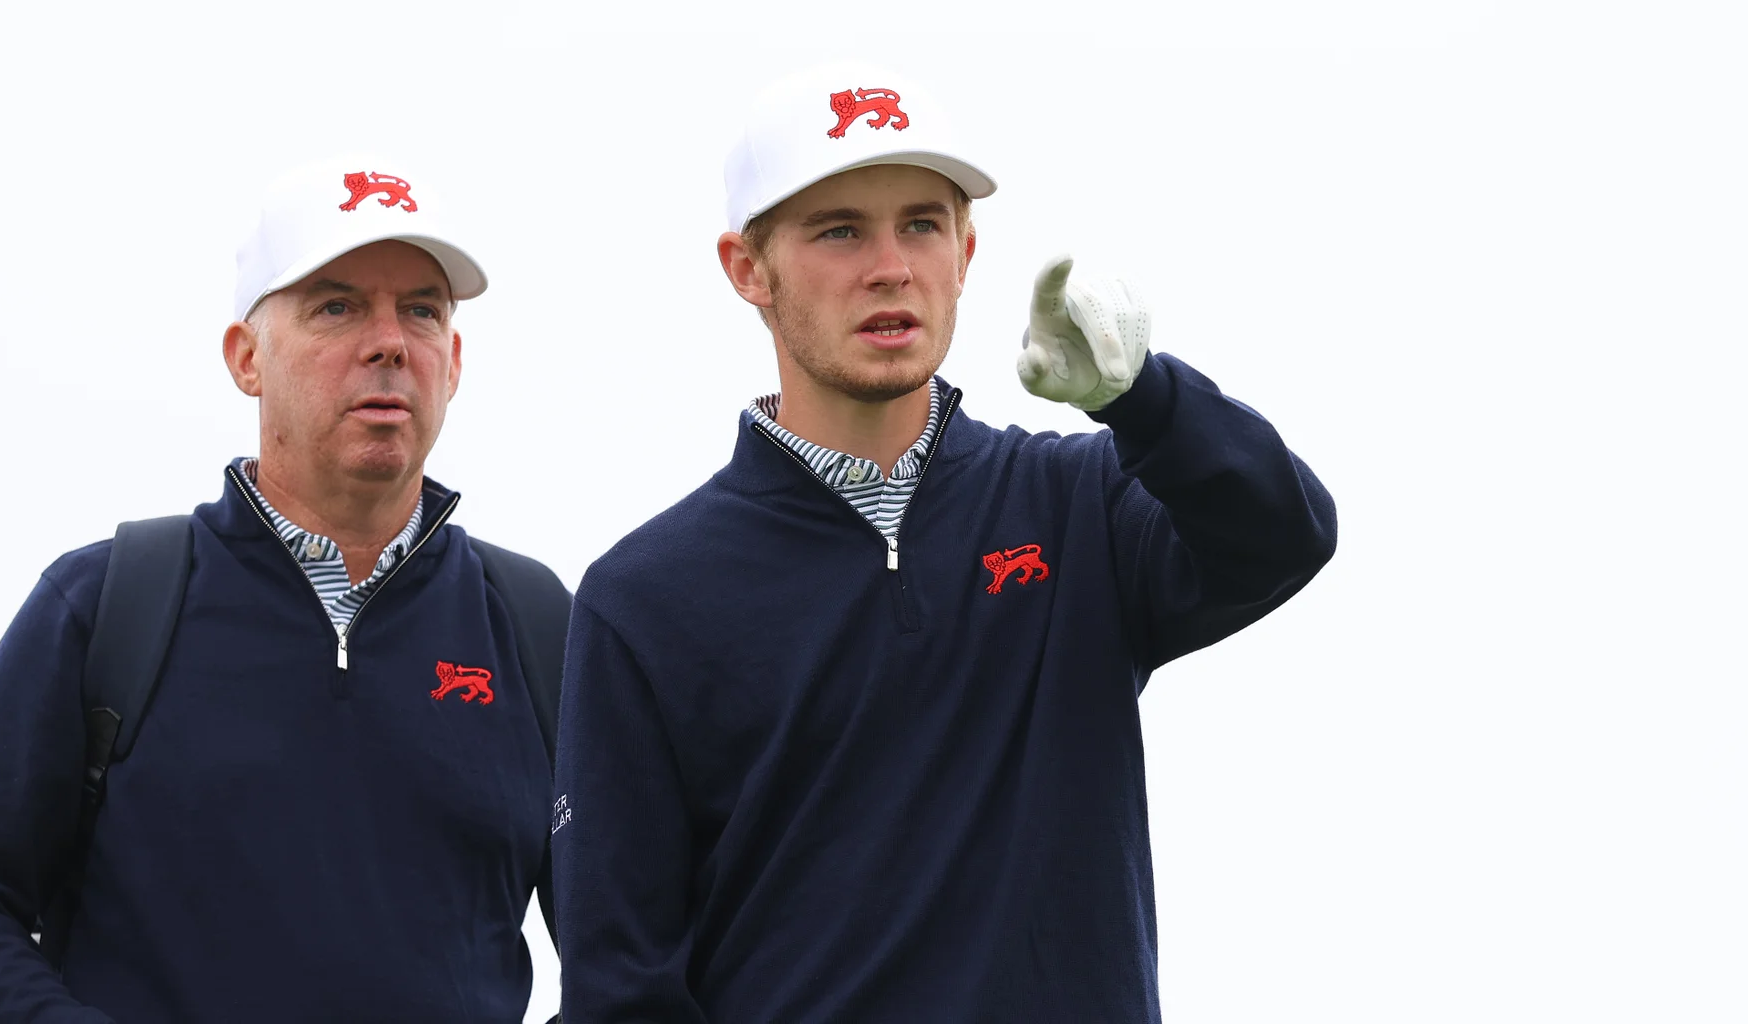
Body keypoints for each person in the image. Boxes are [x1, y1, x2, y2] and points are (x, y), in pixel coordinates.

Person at [551, 66, 1338, 1023]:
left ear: (966, 251)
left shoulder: (1079, 501)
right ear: (745, 268)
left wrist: (1142, 402)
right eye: (840, 230)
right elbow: (621, 985)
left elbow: (1283, 535)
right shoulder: (645, 596)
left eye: (922, 224)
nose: (892, 267)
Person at [0, 159, 568, 1023]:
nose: (391, 341)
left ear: (455, 360)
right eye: (337, 305)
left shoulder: (534, 624)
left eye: (423, 311)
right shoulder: (108, 605)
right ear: (247, 358)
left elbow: (633, 939)